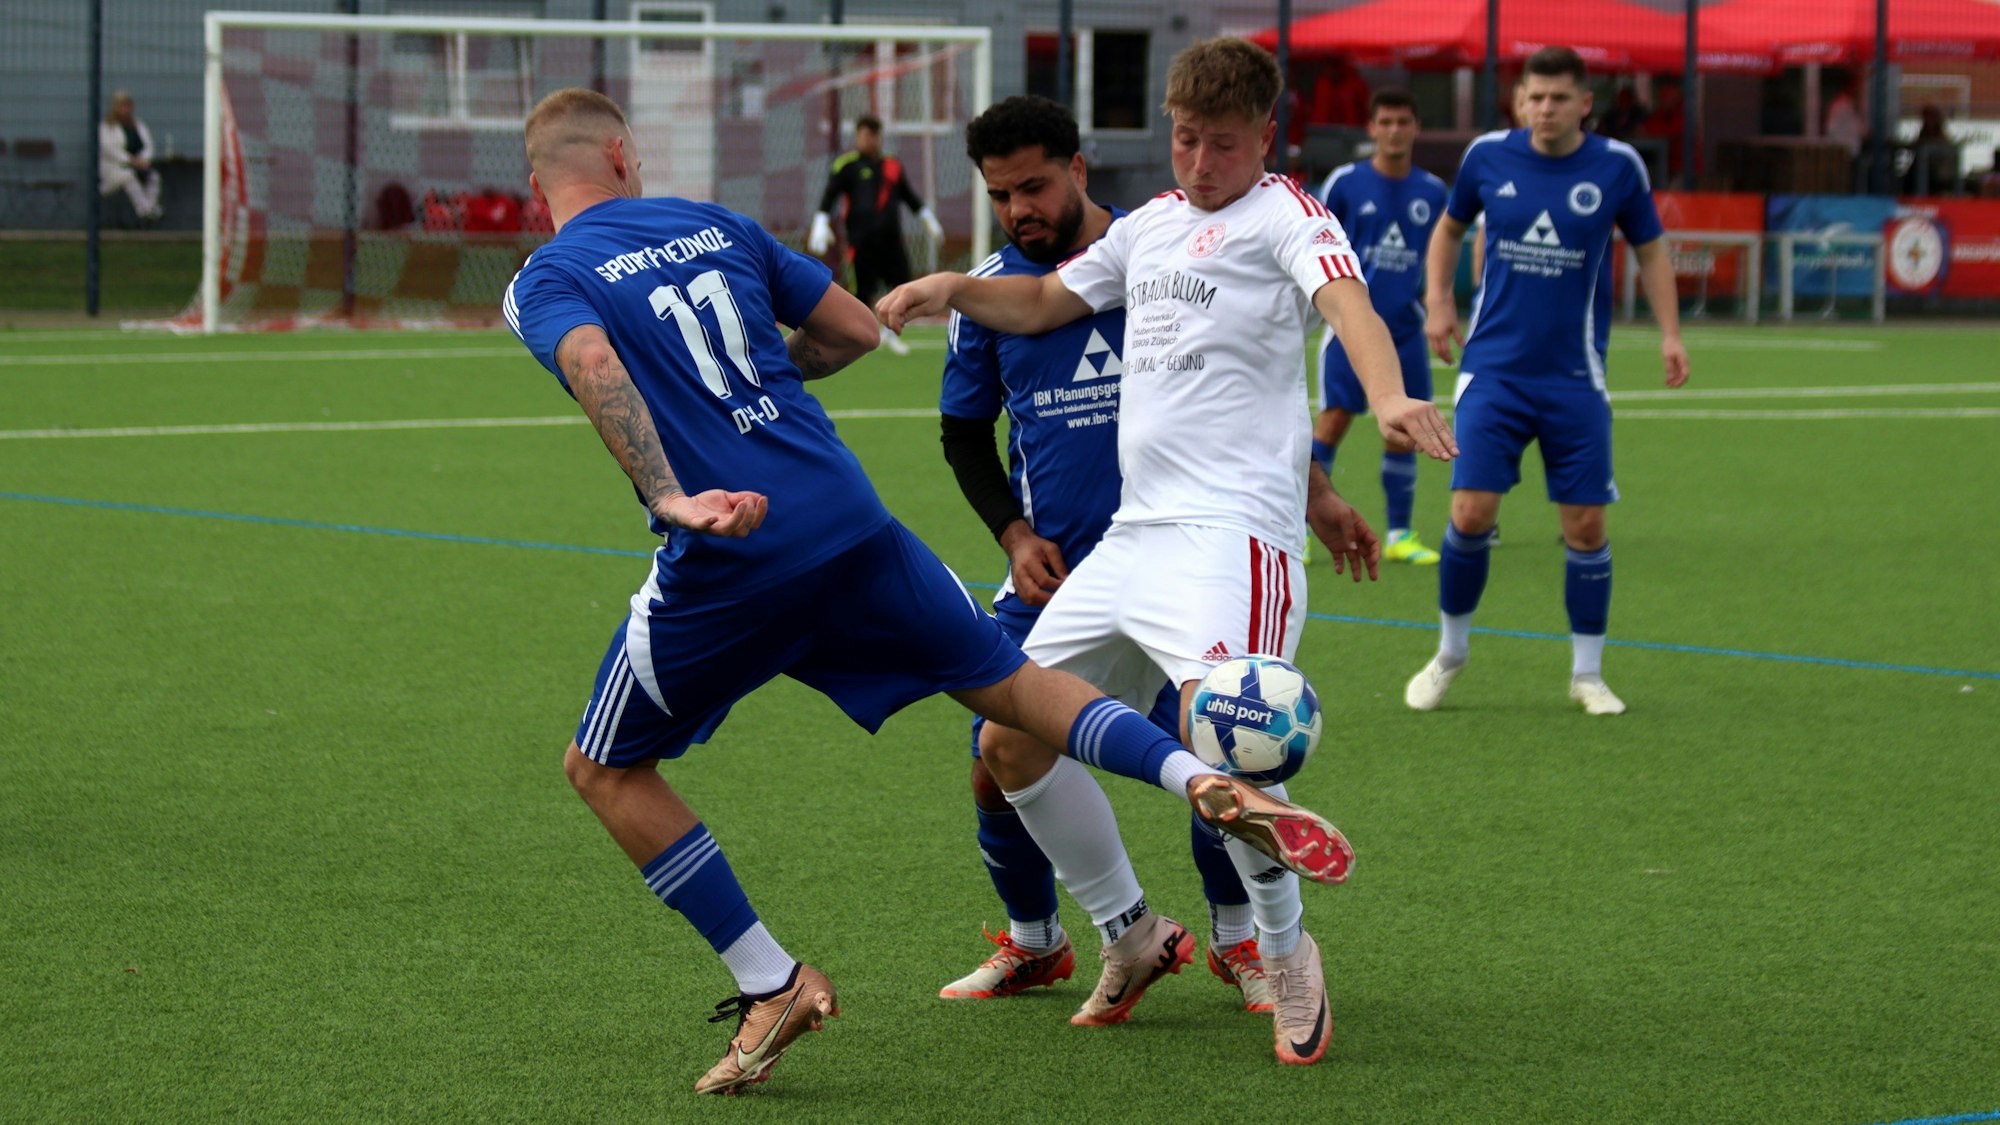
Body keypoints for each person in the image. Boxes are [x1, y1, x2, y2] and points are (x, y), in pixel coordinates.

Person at [503, 87, 1351, 1096]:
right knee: (1009, 692)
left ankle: (770, 979)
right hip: (852, 519)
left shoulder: (543, 276)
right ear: (621, 156)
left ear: (538, 182)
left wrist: (671, 490)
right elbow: (856, 331)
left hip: (733, 555)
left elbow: (593, 356)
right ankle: (1187, 793)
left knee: (602, 768)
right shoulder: (714, 224)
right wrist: (763, 394)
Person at [879, 39, 1456, 1066]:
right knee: (1009, 736)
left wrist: (1384, 397)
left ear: (1263, 139)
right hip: (1131, 541)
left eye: (1220, 145)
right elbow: (1049, 301)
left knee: (1238, 737)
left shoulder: (1286, 213)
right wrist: (951, 289)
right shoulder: (1149, 225)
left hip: (1235, 539)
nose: (1197, 164)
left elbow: (1345, 309)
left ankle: (1284, 955)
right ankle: (1130, 932)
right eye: (1184, 139)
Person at [933, 95, 1269, 1010]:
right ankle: (1039, 942)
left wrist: (1312, 495)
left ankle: (1242, 943)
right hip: (1057, 577)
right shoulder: (989, 298)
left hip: (1184, 564)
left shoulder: (1161, 256)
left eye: (1034, 186)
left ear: (1079, 170)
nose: (1019, 210)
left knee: (1225, 751)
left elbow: (1247, 389)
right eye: (1001, 195)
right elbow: (964, 435)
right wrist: (1015, 533)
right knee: (996, 757)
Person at [1409, 46, 1689, 719]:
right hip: (1493, 370)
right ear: (1520, 100)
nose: (1544, 109)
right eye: (1534, 97)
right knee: (1470, 514)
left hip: (1574, 376)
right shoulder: (1487, 157)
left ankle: (1587, 673)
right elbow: (1448, 233)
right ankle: (1450, 653)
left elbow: (1651, 251)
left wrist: (1671, 332)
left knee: (1586, 525)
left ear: (1584, 102)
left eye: (1558, 98)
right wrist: (1440, 301)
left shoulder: (1618, 166)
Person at [1313, 90, 1452, 567]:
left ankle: (1400, 534)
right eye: (1386, 121)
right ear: (1372, 128)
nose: (1394, 130)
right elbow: (1312, 241)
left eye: (1403, 121)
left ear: (1415, 128)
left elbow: (1442, 253)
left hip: (1407, 330)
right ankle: (1299, 528)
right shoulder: (1345, 183)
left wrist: (1441, 305)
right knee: (1332, 422)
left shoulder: (1433, 191)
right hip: (1350, 329)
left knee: (1404, 429)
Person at [807, 114, 944, 356]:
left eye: (870, 136)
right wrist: (821, 221)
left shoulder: (892, 165)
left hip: (891, 241)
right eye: (861, 136)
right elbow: (830, 196)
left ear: (878, 138)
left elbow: (909, 197)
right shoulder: (847, 165)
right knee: (863, 292)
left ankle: (892, 334)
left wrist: (927, 218)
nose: (866, 140)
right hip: (860, 242)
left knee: (901, 287)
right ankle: (859, 338)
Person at [98, 90, 163, 224]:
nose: (125, 110)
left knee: (154, 177)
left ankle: (146, 210)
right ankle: (148, 211)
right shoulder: (107, 127)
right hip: (114, 171)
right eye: (122, 106)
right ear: (115, 108)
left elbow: (148, 146)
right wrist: (131, 160)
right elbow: (110, 150)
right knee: (128, 176)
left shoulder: (138, 125)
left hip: (138, 166)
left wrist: (142, 160)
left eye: (128, 106)